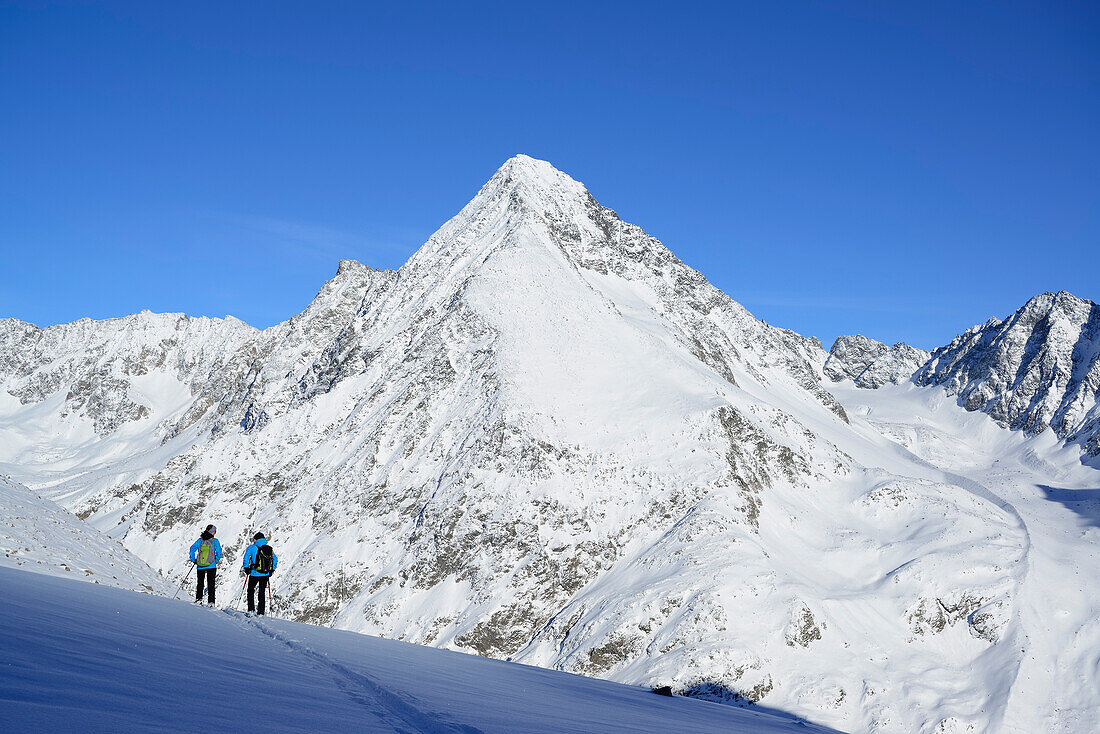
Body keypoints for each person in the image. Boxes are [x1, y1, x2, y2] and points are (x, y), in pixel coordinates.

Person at [241, 531, 277, 615]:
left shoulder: (251, 547)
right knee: (262, 592)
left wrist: (246, 568)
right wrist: (272, 569)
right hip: (265, 574)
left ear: (256, 539)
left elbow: (246, 558)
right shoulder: (268, 548)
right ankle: (261, 612)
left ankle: (251, 609)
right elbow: (275, 559)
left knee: (250, 591)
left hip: (254, 572)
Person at [188, 524, 222, 605]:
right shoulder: (215, 541)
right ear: (213, 532)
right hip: (211, 565)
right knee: (211, 584)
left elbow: (192, 549)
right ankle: (211, 602)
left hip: (200, 565)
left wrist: (194, 560)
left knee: (200, 583)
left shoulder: (200, 540)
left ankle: (198, 599)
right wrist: (215, 561)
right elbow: (219, 553)